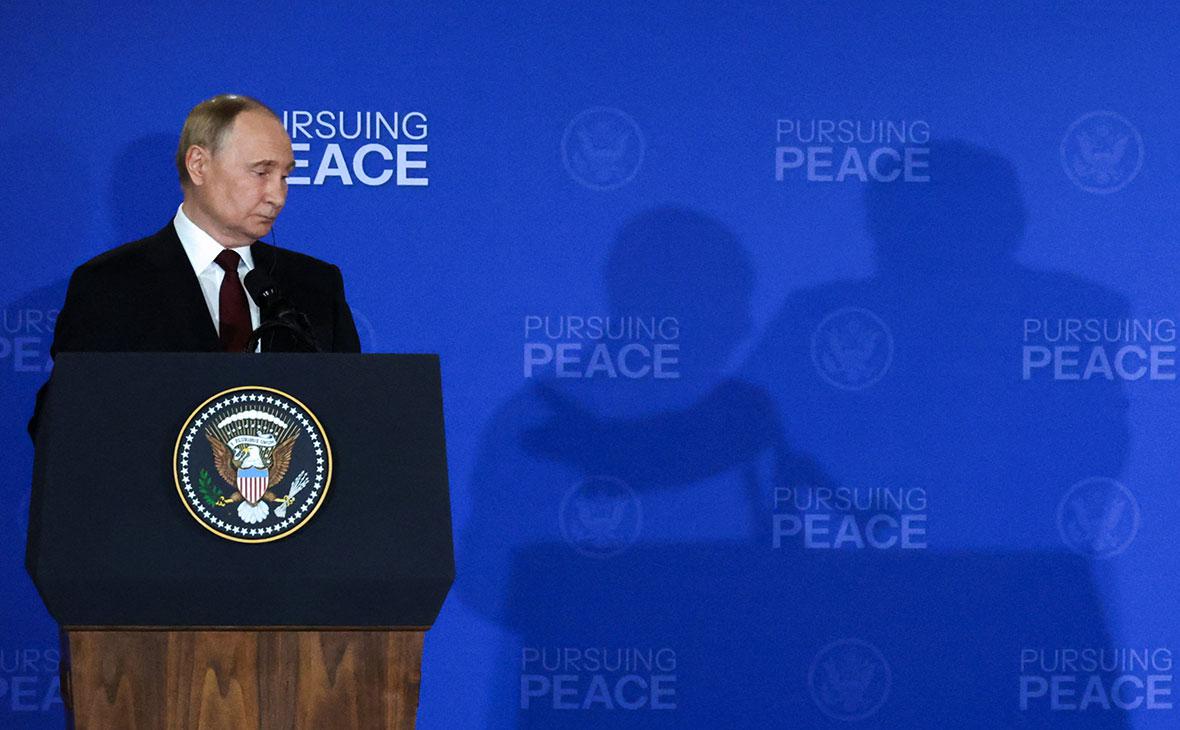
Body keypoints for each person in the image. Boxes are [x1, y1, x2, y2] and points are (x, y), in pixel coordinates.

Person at [29, 94, 360, 435]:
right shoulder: (109, 285)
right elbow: (63, 427)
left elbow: (353, 416)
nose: (277, 196)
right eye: (261, 172)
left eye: (284, 177)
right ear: (198, 165)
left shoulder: (316, 286)